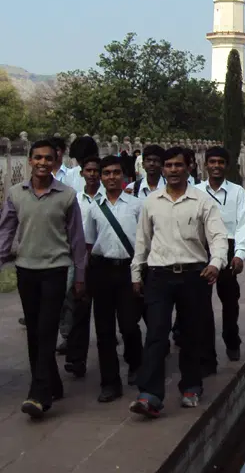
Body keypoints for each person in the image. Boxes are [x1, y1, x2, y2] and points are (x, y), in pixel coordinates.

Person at [129, 147, 228, 417]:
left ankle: (191, 386)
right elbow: (142, 240)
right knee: (156, 334)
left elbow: (218, 235)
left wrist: (216, 262)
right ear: (163, 169)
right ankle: (149, 394)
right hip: (159, 274)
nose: (173, 170)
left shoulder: (202, 201)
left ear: (190, 168)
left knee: (191, 334)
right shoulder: (151, 201)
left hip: (193, 274)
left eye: (178, 165)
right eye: (168, 165)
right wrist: (136, 273)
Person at [0, 139, 87, 419]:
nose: (42, 163)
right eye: (37, 158)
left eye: (48, 159)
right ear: (29, 160)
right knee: (36, 330)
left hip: (56, 269)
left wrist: (80, 276)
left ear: (55, 161)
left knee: (47, 327)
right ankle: (54, 382)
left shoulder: (67, 195)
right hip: (26, 269)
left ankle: (39, 394)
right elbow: (6, 231)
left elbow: (76, 239)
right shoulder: (16, 193)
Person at [82, 155, 143, 401]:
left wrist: (140, 272)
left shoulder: (136, 205)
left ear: (124, 176)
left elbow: (143, 242)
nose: (110, 177)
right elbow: (88, 243)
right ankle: (110, 382)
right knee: (105, 330)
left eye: (115, 173)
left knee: (129, 324)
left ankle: (136, 363)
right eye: (106, 173)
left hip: (128, 269)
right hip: (102, 270)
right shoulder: (94, 207)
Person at [198, 147, 245, 364]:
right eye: (212, 162)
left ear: (227, 166)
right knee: (201, 303)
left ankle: (231, 341)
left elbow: (243, 224)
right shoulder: (196, 191)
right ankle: (206, 351)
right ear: (206, 165)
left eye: (221, 162)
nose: (216, 166)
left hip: (228, 248)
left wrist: (239, 254)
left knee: (230, 300)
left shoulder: (237, 192)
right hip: (202, 249)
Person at [64, 156, 104, 379]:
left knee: (106, 313)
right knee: (79, 310)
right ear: (82, 173)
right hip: (81, 260)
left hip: (104, 260)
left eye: (96, 171)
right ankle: (76, 358)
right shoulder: (75, 200)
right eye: (88, 170)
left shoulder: (110, 199)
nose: (92, 174)